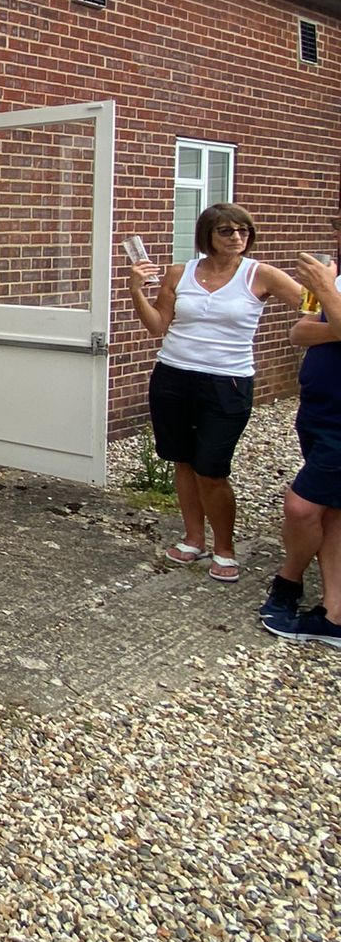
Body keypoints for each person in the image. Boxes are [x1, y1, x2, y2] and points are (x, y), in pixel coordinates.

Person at [126, 202, 301, 584]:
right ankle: (193, 539)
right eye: (227, 231)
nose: (237, 237)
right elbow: (157, 326)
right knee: (183, 462)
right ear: (208, 234)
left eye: (243, 231)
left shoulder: (261, 274)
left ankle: (224, 548)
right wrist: (136, 290)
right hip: (173, 376)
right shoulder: (179, 272)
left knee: (212, 468)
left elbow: (312, 304)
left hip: (228, 382)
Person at [261, 237, 341, 648]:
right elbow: (299, 331)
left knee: (301, 505)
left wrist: (326, 289)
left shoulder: (331, 283)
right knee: (330, 512)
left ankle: (288, 579)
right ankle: (333, 614)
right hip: (320, 414)